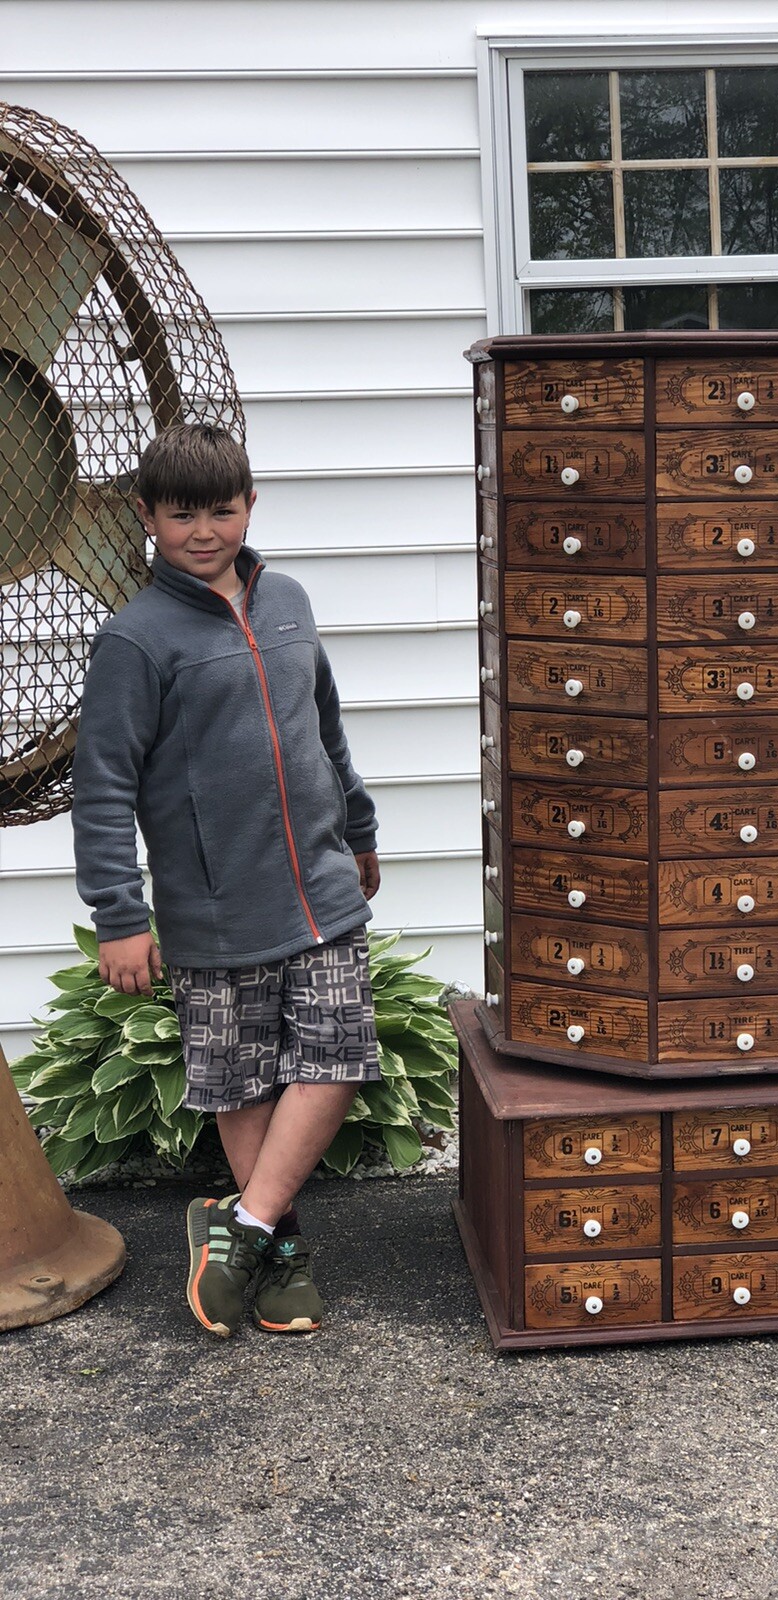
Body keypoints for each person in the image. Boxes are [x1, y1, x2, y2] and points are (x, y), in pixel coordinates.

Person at [72, 423, 382, 1338]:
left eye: (221, 508)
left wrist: (358, 828)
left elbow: (326, 729)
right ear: (146, 517)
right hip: (213, 910)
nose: (203, 530)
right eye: (181, 513)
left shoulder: (287, 601)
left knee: (337, 1057)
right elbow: (103, 788)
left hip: (322, 889)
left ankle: (239, 1225)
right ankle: (280, 1248)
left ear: (250, 506)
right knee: (242, 1083)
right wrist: (120, 915)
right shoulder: (135, 641)